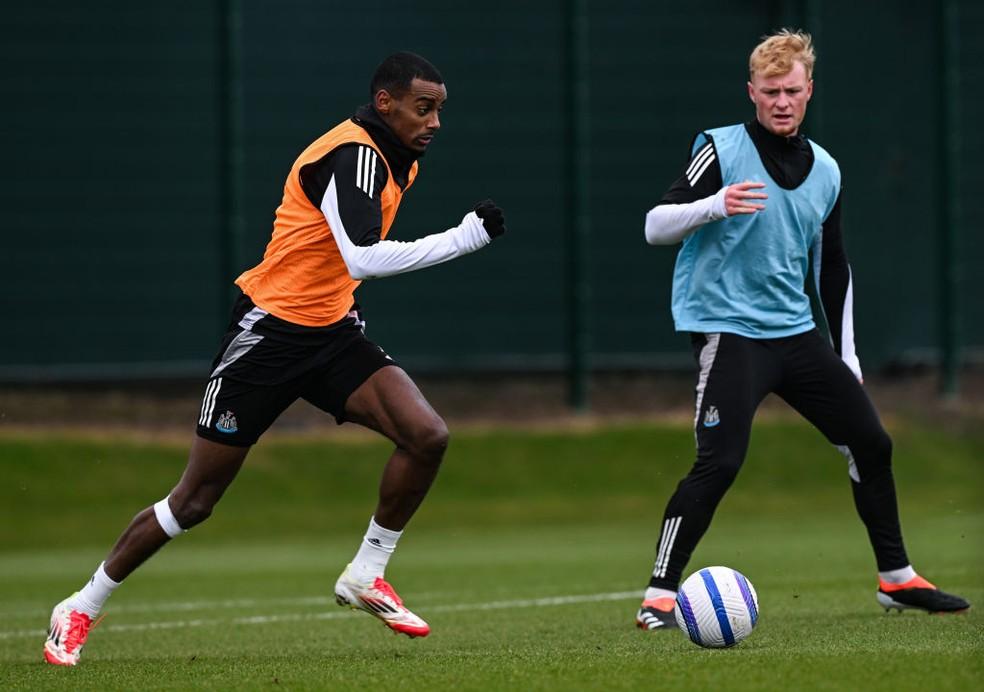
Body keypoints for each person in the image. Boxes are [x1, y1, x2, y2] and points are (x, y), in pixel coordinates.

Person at [44, 51, 508, 666]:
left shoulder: (398, 158)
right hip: (269, 336)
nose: (435, 122)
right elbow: (363, 258)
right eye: (424, 108)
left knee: (426, 435)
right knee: (195, 501)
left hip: (333, 333)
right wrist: (464, 237)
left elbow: (345, 272)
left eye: (440, 110)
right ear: (385, 103)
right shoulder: (356, 155)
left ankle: (366, 573)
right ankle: (80, 606)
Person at [634, 29, 969, 631]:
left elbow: (833, 267)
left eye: (791, 90)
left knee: (872, 442)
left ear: (809, 91)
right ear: (752, 93)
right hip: (728, 329)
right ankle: (659, 593)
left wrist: (849, 358)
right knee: (722, 461)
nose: (781, 101)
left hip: (795, 334)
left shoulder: (828, 171)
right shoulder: (719, 147)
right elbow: (656, 225)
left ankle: (896, 579)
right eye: (770, 92)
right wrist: (714, 205)